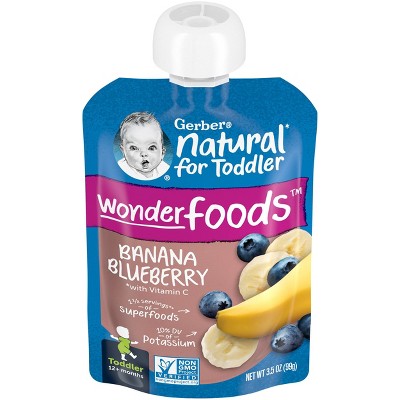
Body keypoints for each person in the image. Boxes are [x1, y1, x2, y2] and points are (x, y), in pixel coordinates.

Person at [118, 112, 170, 180]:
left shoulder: (164, 169)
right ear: (123, 151)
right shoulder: (120, 171)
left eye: (151, 148)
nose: (143, 154)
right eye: (134, 148)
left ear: (162, 153)